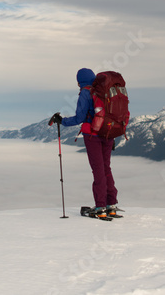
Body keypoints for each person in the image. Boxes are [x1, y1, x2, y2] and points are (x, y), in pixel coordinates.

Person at [52, 68, 119, 219]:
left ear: (80, 80)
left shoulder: (85, 92)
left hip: (93, 136)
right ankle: (111, 205)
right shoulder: (105, 90)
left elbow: (80, 117)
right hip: (108, 134)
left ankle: (101, 207)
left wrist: (62, 121)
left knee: (98, 170)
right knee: (106, 168)